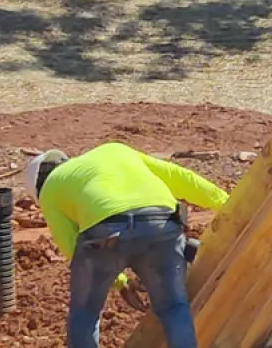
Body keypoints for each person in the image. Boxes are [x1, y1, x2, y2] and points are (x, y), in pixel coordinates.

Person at [24, 143, 230, 348]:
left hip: (105, 234)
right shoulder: (115, 150)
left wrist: (120, 283)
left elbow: (70, 245)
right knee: (173, 306)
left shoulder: (50, 189)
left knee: (86, 312)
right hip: (162, 224)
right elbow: (181, 178)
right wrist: (227, 203)